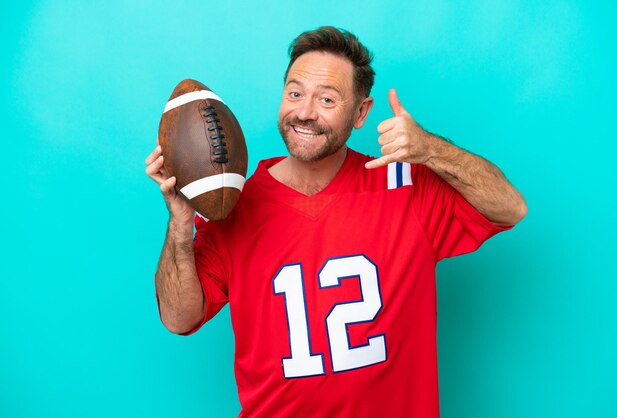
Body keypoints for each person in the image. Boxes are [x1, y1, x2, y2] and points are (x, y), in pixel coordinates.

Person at [145, 26, 527, 418]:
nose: (305, 112)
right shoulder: (237, 205)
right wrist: (180, 221)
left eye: (327, 99)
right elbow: (178, 318)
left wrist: (430, 150)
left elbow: (509, 207)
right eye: (295, 93)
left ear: (361, 112)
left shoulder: (403, 185)